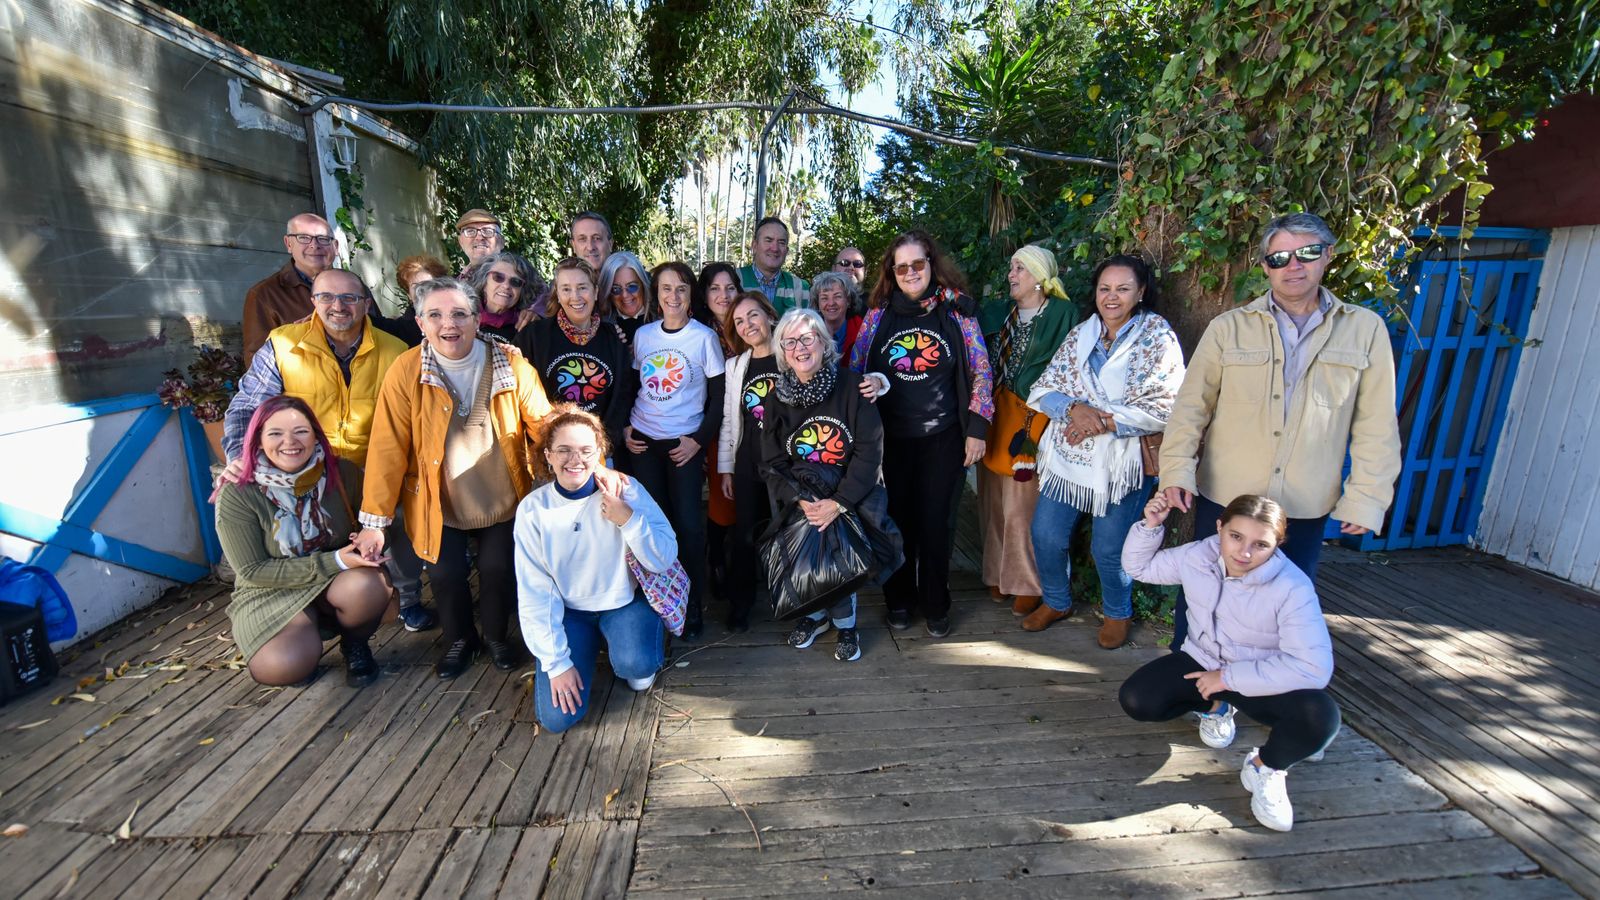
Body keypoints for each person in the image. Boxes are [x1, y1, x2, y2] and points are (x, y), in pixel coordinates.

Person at [1160, 212, 1401, 648]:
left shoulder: (1365, 330)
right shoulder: (1228, 328)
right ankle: (1194, 687)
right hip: (1227, 498)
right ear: (1265, 265)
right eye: (1280, 257)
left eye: (1307, 253)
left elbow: (1376, 425)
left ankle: (1265, 689)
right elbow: (1190, 408)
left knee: (1287, 606)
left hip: (1303, 504)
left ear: (1328, 255)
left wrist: (1365, 498)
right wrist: (1176, 472)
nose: (1294, 265)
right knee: (1204, 598)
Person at [355, 278, 561, 679]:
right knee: (446, 572)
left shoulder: (510, 363)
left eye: (459, 314)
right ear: (420, 322)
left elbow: (544, 423)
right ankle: (459, 640)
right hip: (438, 497)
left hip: (502, 493)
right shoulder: (405, 371)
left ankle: (498, 636)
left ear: (475, 318)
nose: (448, 324)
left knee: (499, 567)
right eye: (435, 315)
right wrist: (374, 521)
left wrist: (587, 462)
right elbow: (387, 446)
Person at [220, 269, 435, 633]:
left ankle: (408, 597)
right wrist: (240, 456)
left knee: (402, 511)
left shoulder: (396, 351)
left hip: (375, 466)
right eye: (327, 298)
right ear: (313, 302)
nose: (338, 306)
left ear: (366, 304)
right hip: (308, 469)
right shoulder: (283, 345)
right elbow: (247, 407)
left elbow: (416, 416)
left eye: (350, 298)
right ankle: (308, 606)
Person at [1118, 492, 1340, 832]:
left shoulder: (1293, 587)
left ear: (1277, 545)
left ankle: (1266, 766)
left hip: (1257, 676)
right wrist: (1150, 527)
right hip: (1203, 662)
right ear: (1219, 527)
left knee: (1320, 717)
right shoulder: (1198, 555)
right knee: (1138, 699)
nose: (1244, 552)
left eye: (1261, 545)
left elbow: (1314, 668)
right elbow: (1139, 567)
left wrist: (1228, 677)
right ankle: (1216, 709)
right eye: (1235, 536)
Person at [1023, 255, 1184, 648]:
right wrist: (1074, 410)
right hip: (1070, 457)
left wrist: (1102, 422)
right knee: (1045, 534)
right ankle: (1057, 601)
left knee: (1108, 547)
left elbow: (1166, 405)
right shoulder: (1082, 334)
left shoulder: (1156, 336)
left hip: (1124, 463)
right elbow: (1045, 389)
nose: (1112, 297)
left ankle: (1117, 613)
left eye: (1123, 288)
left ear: (1141, 292)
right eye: (1104, 289)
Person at [849, 230, 993, 637]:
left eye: (918, 263)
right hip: (890, 440)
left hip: (943, 436)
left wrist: (977, 429)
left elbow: (981, 371)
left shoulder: (957, 313)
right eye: (902, 267)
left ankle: (935, 603)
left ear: (931, 263)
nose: (911, 272)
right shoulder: (878, 315)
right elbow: (858, 369)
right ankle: (898, 600)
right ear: (891, 274)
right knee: (895, 522)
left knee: (934, 523)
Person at [515, 407, 676, 733]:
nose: (575, 459)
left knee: (636, 664)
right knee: (557, 719)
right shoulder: (534, 510)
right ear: (548, 455)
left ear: (599, 453)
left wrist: (629, 519)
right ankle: (584, 649)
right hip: (570, 613)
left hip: (622, 604)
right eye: (564, 450)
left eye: (586, 450)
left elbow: (664, 557)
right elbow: (535, 592)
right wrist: (556, 664)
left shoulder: (624, 490)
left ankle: (628, 646)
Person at [214, 396, 392, 688]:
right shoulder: (238, 493)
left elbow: (378, 520)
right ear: (258, 439)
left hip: (336, 581)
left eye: (301, 431)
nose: (290, 442)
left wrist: (370, 539)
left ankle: (354, 643)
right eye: (275, 433)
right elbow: (253, 571)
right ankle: (303, 640)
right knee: (281, 667)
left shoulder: (341, 471)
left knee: (369, 586)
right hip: (270, 590)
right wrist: (336, 560)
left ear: (315, 434)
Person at [763, 309, 889, 662]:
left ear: (823, 342)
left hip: (850, 491)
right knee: (809, 537)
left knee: (833, 539)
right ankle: (816, 616)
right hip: (799, 493)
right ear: (783, 351)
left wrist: (838, 501)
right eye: (791, 341)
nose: (800, 347)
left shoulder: (852, 386)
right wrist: (801, 499)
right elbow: (773, 458)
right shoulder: (777, 396)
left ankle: (846, 623)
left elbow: (869, 450)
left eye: (808, 338)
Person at [624, 261, 725, 639]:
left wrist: (698, 440)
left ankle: (692, 601)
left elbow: (718, 399)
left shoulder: (703, 338)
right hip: (643, 441)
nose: (673, 296)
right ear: (656, 294)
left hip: (684, 443)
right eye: (666, 288)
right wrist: (626, 428)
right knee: (653, 524)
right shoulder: (645, 336)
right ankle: (660, 602)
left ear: (691, 295)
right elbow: (636, 384)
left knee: (687, 525)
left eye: (681, 288)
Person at [978, 246, 1081, 615]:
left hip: (1032, 420)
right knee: (991, 502)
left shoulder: (1063, 314)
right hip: (994, 415)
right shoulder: (999, 314)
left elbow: (1073, 368)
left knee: (1022, 506)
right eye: (1011, 267)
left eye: (1019, 267)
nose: (1012, 274)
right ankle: (996, 575)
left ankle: (1028, 582)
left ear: (1039, 275)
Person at [515, 257, 637, 461]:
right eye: (566, 289)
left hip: (598, 452)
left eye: (582, 287)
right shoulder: (533, 337)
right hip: (550, 453)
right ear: (557, 294)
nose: (575, 297)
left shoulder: (613, 339)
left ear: (596, 292)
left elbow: (622, 397)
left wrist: (603, 446)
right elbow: (521, 393)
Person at [716, 291, 781, 631]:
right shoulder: (736, 366)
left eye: (752, 316)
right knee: (743, 535)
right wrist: (726, 467)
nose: (747, 325)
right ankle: (741, 604)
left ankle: (794, 598)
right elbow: (730, 419)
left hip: (786, 465)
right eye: (739, 321)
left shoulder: (792, 355)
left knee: (786, 530)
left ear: (769, 315)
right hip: (746, 462)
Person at [242, 213, 337, 365]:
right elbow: (258, 363)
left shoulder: (355, 287)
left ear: (335, 247)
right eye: (304, 237)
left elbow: (379, 333)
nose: (315, 245)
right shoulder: (264, 295)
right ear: (288, 244)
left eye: (323, 239)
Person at [373, 255, 448, 347]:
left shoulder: (458, 316)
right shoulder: (399, 329)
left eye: (429, 285)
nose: (423, 290)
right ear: (409, 295)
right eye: (416, 287)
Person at [738, 217, 808, 314]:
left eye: (781, 242)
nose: (775, 248)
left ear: (786, 251)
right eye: (768, 240)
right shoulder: (735, 280)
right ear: (754, 246)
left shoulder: (800, 287)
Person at [466, 251, 543, 339]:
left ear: (522, 290)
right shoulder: (464, 317)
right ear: (484, 283)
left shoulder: (526, 326)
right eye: (498, 277)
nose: (506, 286)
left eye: (515, 282)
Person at [599, 251, 653, 343]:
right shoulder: (601, 326)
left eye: (632, 286)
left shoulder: (663, 317)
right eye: (616, 289)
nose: (625, 295)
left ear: (643, 284)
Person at [810, 271, 864, 360]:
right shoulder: (808, 332)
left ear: (848, 301)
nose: (831, 303)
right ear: (817, 303)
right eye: (824, 298)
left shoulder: (863, 331)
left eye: (837, 296)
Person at [696, 262, 742, 355]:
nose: (724, 295)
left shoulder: (750, 324)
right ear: (704, 295)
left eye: (730, 288)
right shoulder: (697, 332)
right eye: (715, 288)